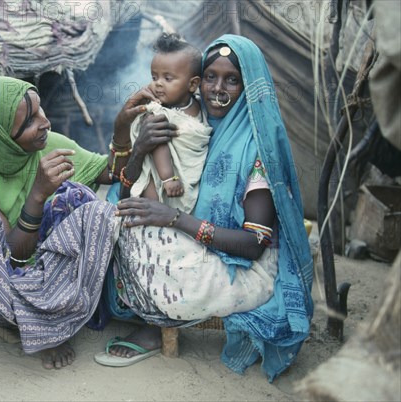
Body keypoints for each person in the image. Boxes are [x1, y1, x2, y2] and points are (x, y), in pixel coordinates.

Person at [95, 34, 314, 383]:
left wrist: (175, 218)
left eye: (232, 80)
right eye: (211, 76)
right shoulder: (193, 123)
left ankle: (156, 325)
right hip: (201, 241)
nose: (217, 89)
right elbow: (123, 183)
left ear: (250, 86)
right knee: (117, 211)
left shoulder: (256, 149)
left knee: (135, 231)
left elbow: (254, 244)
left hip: (242, 267)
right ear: (198, 80)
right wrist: (134, 141)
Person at [0, 75, 143, 401]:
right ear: (2, 138)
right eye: (29, 121)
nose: (45, 123)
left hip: (54, 291)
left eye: (41, 111)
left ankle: (52, 328)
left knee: (93, 210)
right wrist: (37, 196)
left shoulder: (51, 144)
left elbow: (115, 174)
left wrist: (122, 129)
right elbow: (14, 255)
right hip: (0, 294)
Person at [130, 32, 211, 213]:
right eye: (154, 77)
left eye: (167, 78)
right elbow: (158, 142)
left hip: (186, 176)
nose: (158, 84)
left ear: (192, 84)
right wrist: (168, 177)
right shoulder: (158, 111)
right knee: (151, 189)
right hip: (163, 175)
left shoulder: (200, 105)